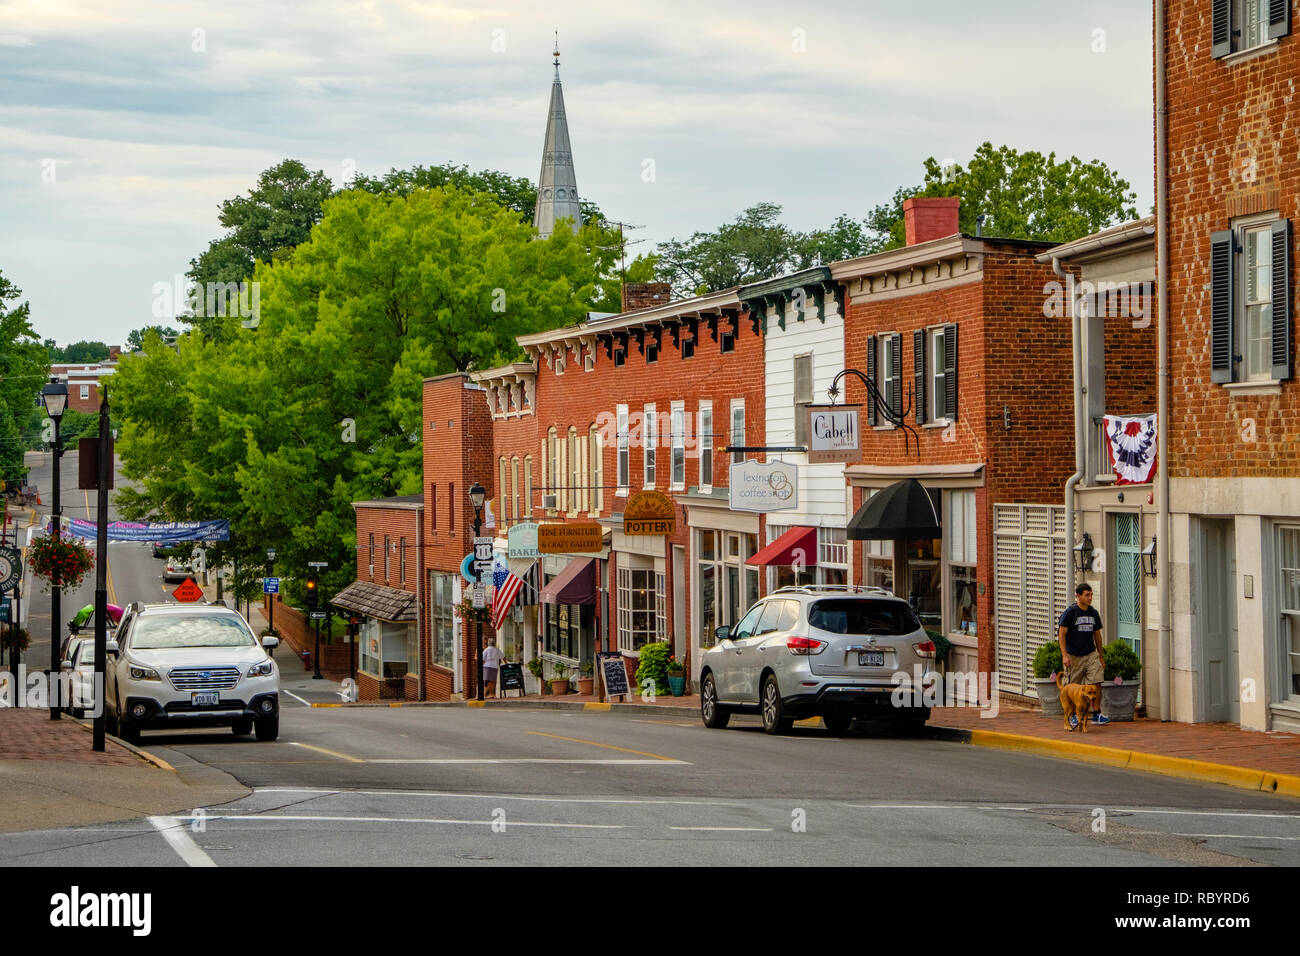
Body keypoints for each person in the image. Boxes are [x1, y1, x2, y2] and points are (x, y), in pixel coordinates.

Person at [1057, 583, 1108, 726]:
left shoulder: (1093, 613)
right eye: (1087, 595)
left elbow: (1097, 635)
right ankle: (1073, 715)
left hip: (1090, 654)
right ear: (1078, 596)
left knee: (1097, 682)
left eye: (1091, 595)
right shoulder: (1070, 613)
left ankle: (1097, 714)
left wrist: (1100, 656)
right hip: (1074, 655)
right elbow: (1061, 634)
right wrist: (1064, 655)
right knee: (1074, 687)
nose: (1090, 598)